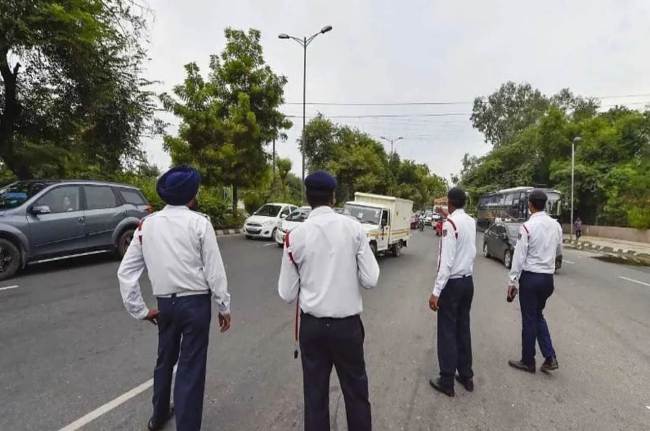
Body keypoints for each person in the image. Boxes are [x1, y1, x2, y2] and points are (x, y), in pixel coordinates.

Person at [117, 166, 231, 431]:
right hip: (195, 305)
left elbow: (126, 272)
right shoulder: (200, 223)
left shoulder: (146, 225)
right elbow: (214, 271)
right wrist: (224, 306)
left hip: (165, 305)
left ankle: (158, 416)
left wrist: (140, 310)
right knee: (191, 368)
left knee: (165, 360)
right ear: (191, 196)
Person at [278, 171, 379, 431]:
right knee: (356, 393)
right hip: (347, 328)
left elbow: (287, 293)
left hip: (312, 329)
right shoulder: (354, 229)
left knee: (315, 396)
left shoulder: (294, 236)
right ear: (333, 197)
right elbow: (371, 279)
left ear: (307, 198)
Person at [507, 189, 562, 374]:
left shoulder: (527, 226)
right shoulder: (556, 225)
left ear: (530, 205)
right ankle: (550, 357)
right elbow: (558, 250)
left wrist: (512, 281)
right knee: (537, 315)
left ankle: (528, 361)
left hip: (531, 278)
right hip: (547, 279)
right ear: (545, 204)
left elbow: (519, 256)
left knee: (529, 319)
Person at [428, 187, 477, 397]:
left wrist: (436, 291)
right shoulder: (470, 221)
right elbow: (459, 223)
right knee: (463, 328)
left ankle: (447, 380)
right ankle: (466, 375)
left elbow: (446, 262)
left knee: (447, 330)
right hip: (467, 282)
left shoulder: (450, 224)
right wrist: (446, 214)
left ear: (449, 202)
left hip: (452, 285)